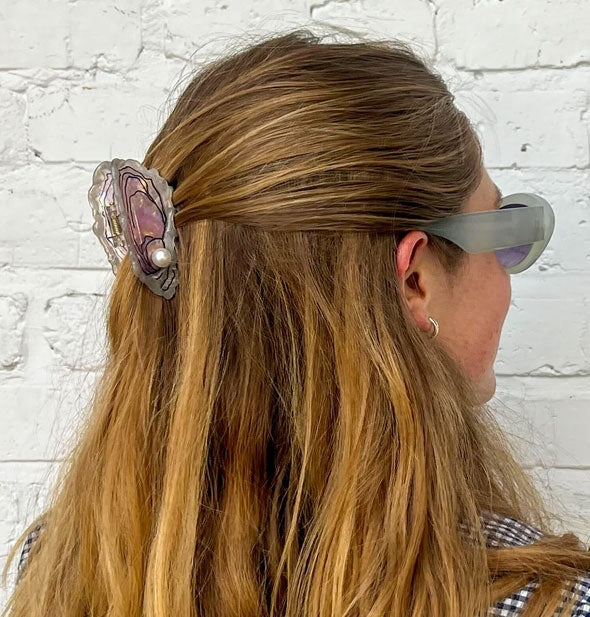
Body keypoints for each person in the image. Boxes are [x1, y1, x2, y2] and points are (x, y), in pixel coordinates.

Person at [3, 27, 590, 617]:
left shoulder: (58, 564)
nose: (508, 281)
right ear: (416, 281)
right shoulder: (547, 605)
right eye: (506, 236)